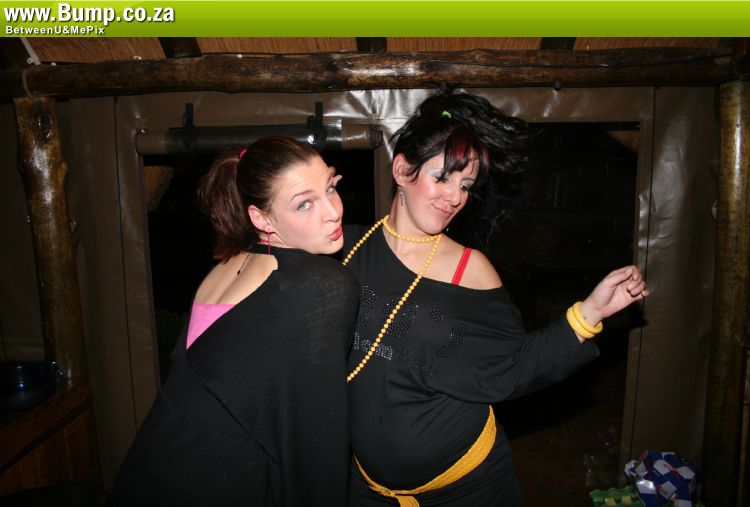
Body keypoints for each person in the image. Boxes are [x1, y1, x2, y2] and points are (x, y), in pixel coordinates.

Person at [341, 89, 650, 506]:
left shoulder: (469, 269)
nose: (455, 197)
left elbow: (514, 366)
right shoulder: (348, 249)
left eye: (466, 185)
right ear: (401, 169)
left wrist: (589, 313)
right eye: (442, 177)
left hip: (466, 489)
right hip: (368, 490)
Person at [110, 136, 358, 506]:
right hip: (211, 482)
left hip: (150, 466)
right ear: (261, 218)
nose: (333, 212)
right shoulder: (321, 285)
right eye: (304, 204)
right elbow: (316, 445)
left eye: (331, 188)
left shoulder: (227, 265)